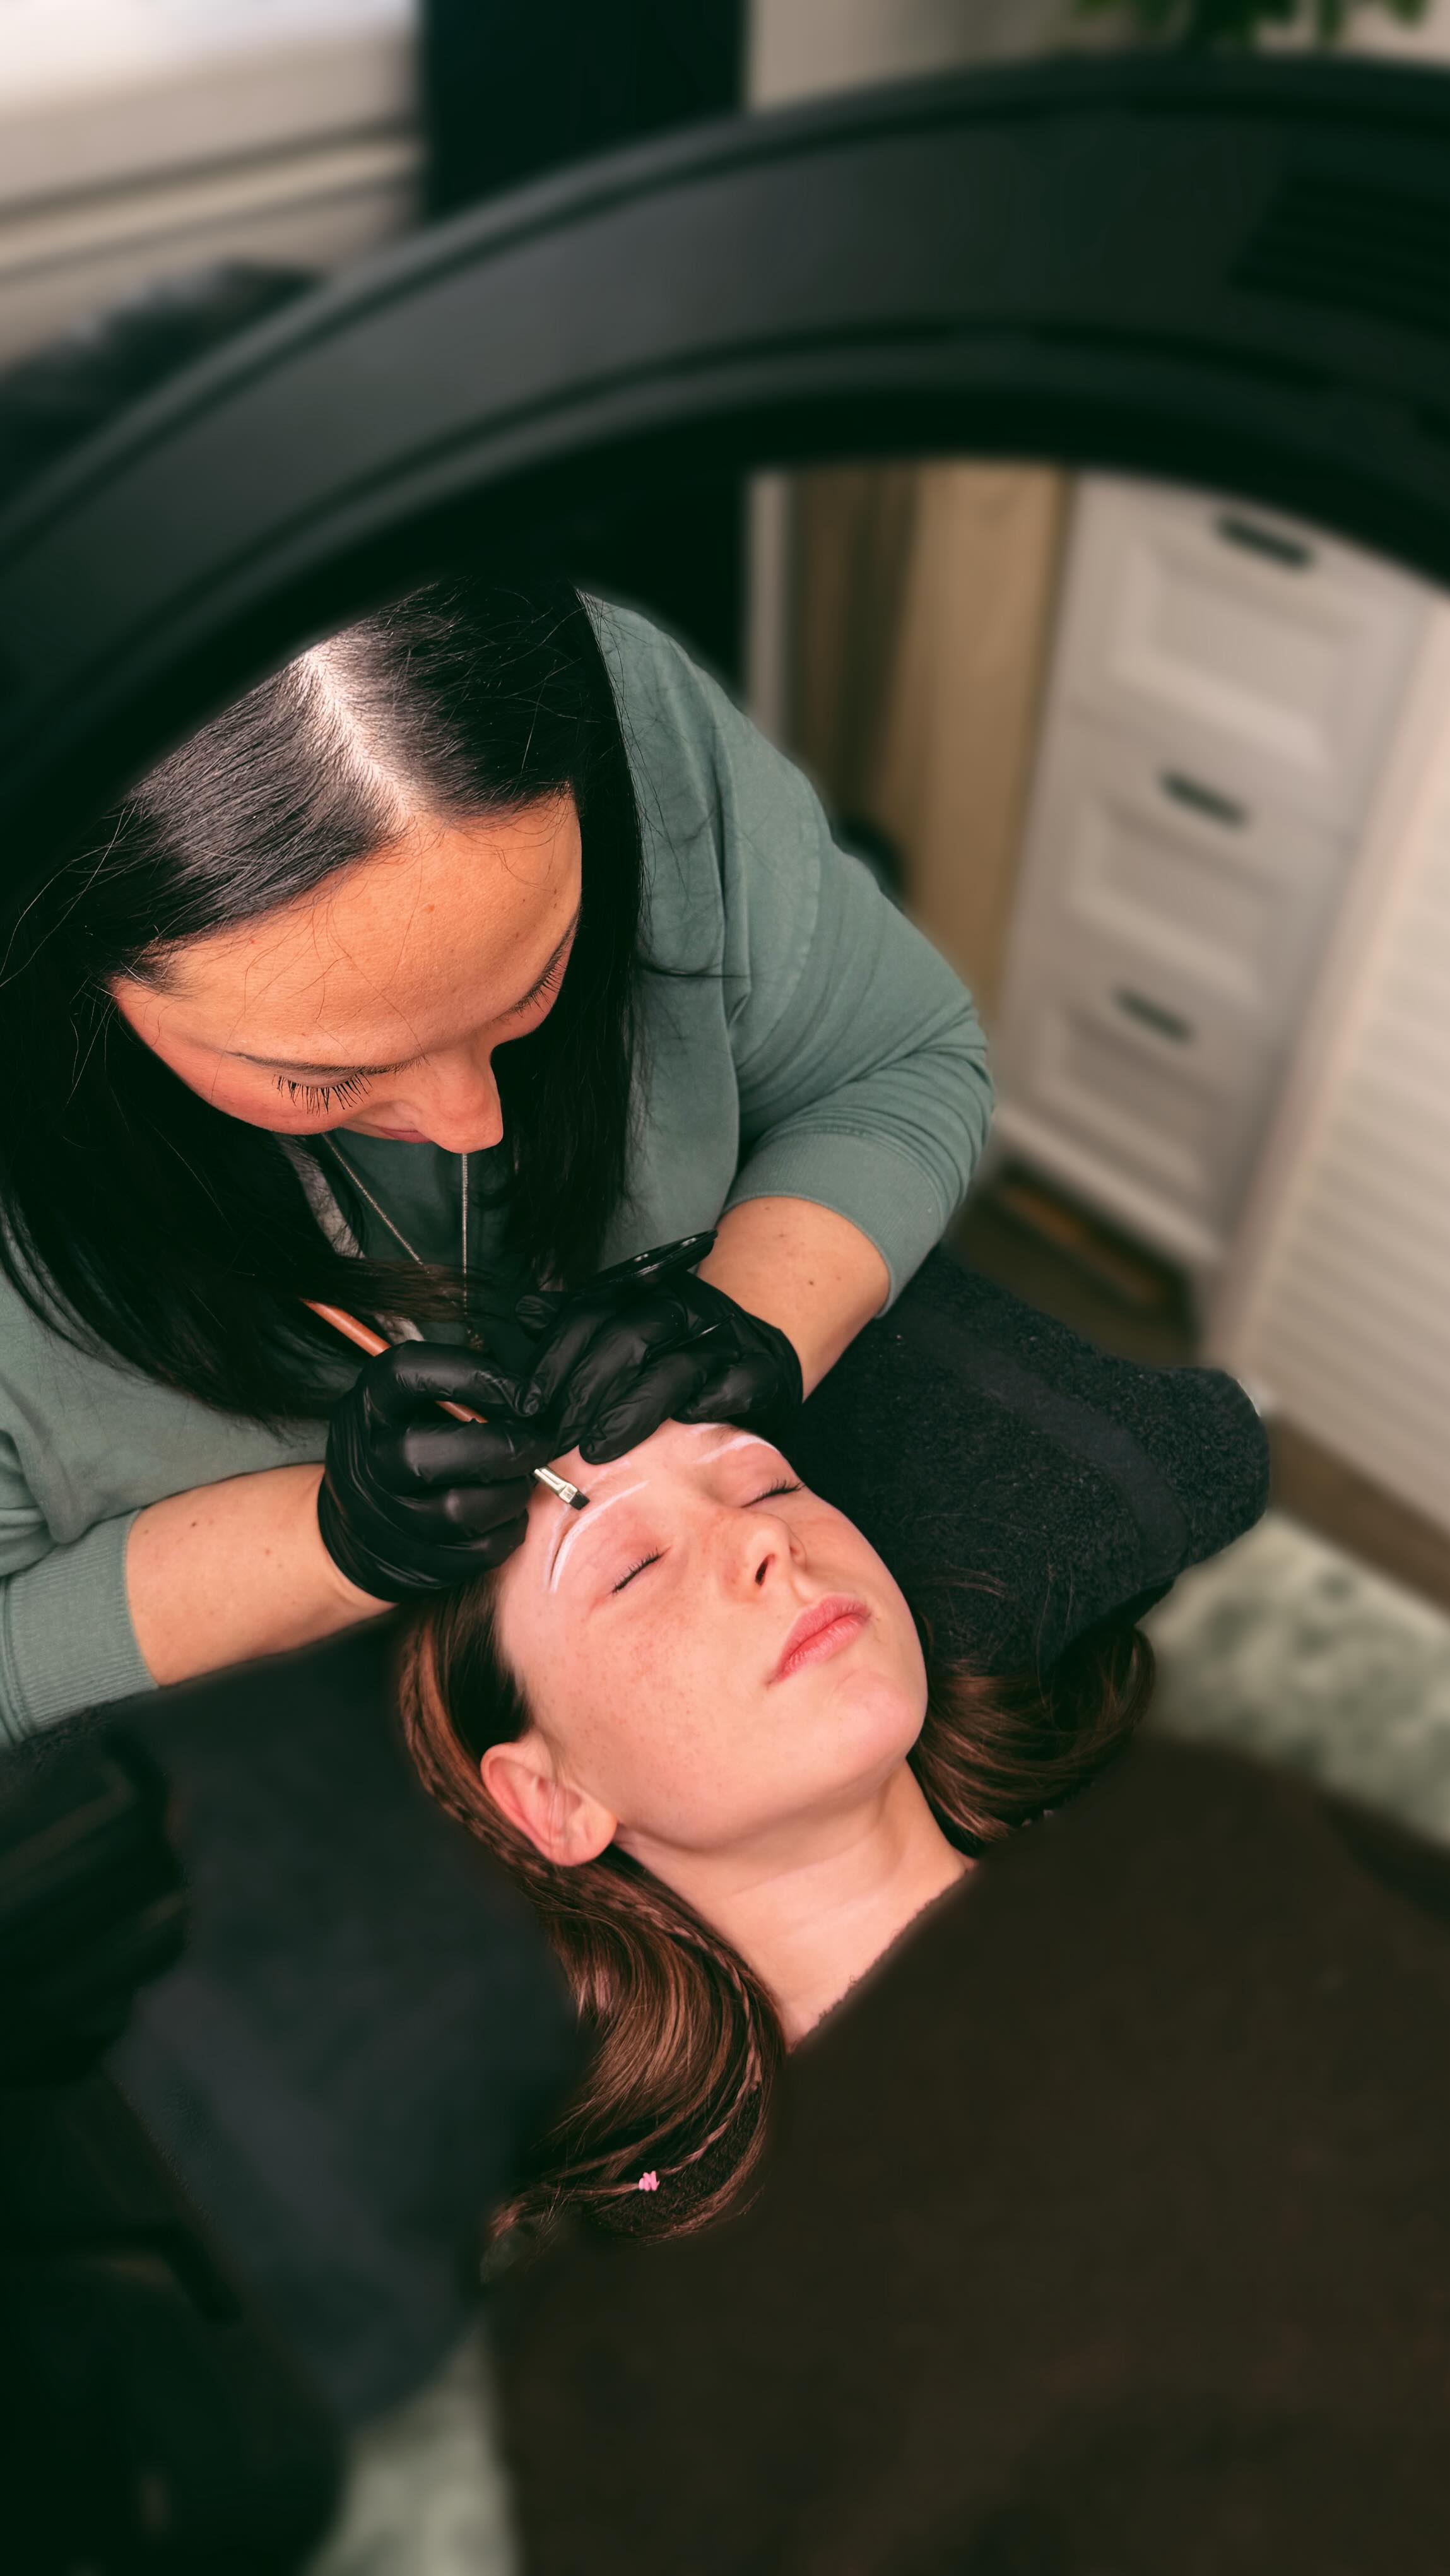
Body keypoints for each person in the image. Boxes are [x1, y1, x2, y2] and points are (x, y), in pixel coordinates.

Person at [399, 1405, 1450, 2576]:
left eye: (770, 1486)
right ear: (551, 1800)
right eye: (632, 1566)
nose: (767, 1546)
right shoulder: (629, 2346)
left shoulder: (1212, 1832)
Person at [0, 572, 991, 1742]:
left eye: (536, 977)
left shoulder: (608, 710)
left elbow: (907, 1061)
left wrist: (763, 1307)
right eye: (324, 1076)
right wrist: (325, 1544)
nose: (474, 1120)